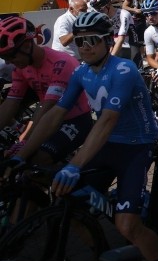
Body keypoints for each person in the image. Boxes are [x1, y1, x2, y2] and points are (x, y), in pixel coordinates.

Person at [26, 11, 158, 261]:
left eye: (92, 40)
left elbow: (106, 121)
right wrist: (24, 153)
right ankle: (101, 255)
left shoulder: (123, 70)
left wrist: (74, 164)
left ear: (107, 41)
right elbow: (57, 113)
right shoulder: (81, 72)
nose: (85, 47)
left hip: (136, 144)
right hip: (109, 144)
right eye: (80, 42)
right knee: (67, 196)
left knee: (127, 225)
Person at [0, 17, 93, 172]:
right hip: (47, 118)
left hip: (75, 120)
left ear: (28, 45)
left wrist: (23, 148)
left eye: (11, 56)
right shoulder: (21, 68)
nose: (9, 62)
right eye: (4, 58)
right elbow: (10, 103)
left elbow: (48, 107)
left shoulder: (61, 63)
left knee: (35, 160)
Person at [141, 0, 158, 69]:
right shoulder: (148, 32)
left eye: (153, 13)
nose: (150, 17)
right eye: (146, 14)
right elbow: (150, 58)